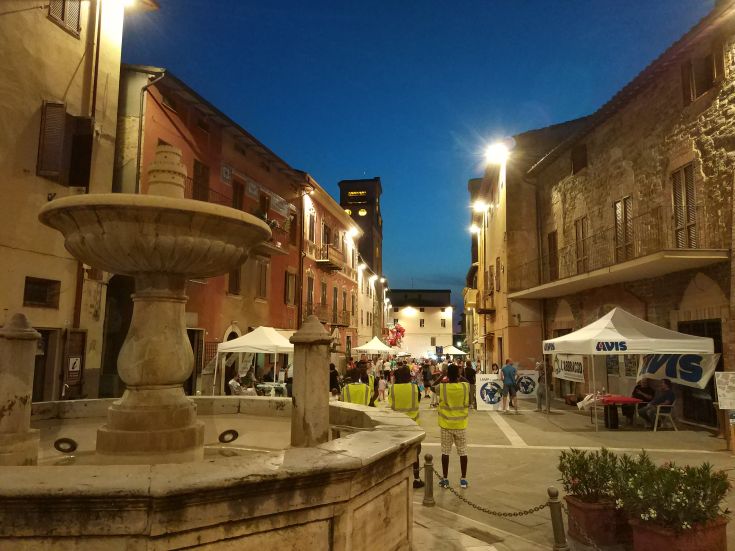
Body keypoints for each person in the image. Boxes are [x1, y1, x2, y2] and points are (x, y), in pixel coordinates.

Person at [434, 363, 470, 489]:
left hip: (446, 425)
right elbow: (468, 382)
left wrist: (442, 376)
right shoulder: (465, 386)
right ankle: (463, 479)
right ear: (459, 374)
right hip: (461, 425)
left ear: (447, 375)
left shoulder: (443, 388)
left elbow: (432, 386)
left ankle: (445, 478)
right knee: (463, 452)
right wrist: (460, 376)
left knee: (445, 452)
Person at [390, 366, 425, 488]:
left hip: (397, 426)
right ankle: (416, 479)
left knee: (398, 454)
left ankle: (397, 480)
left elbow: (390, 404)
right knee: (415, 453)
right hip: (413, 425)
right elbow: (418, 399)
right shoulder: (414, 387)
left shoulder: (393, 388)